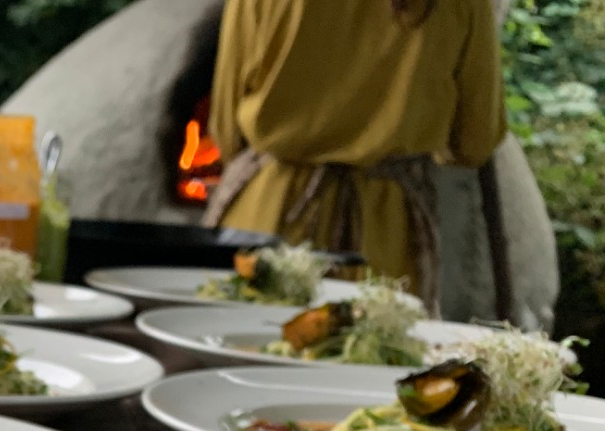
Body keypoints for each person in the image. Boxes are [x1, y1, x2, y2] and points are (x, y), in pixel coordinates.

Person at [206, 0, 506, 310]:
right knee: (372, 347)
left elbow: (226, 126)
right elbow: (475, 140)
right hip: (384, 236)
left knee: (243, 345)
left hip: (267, 219)